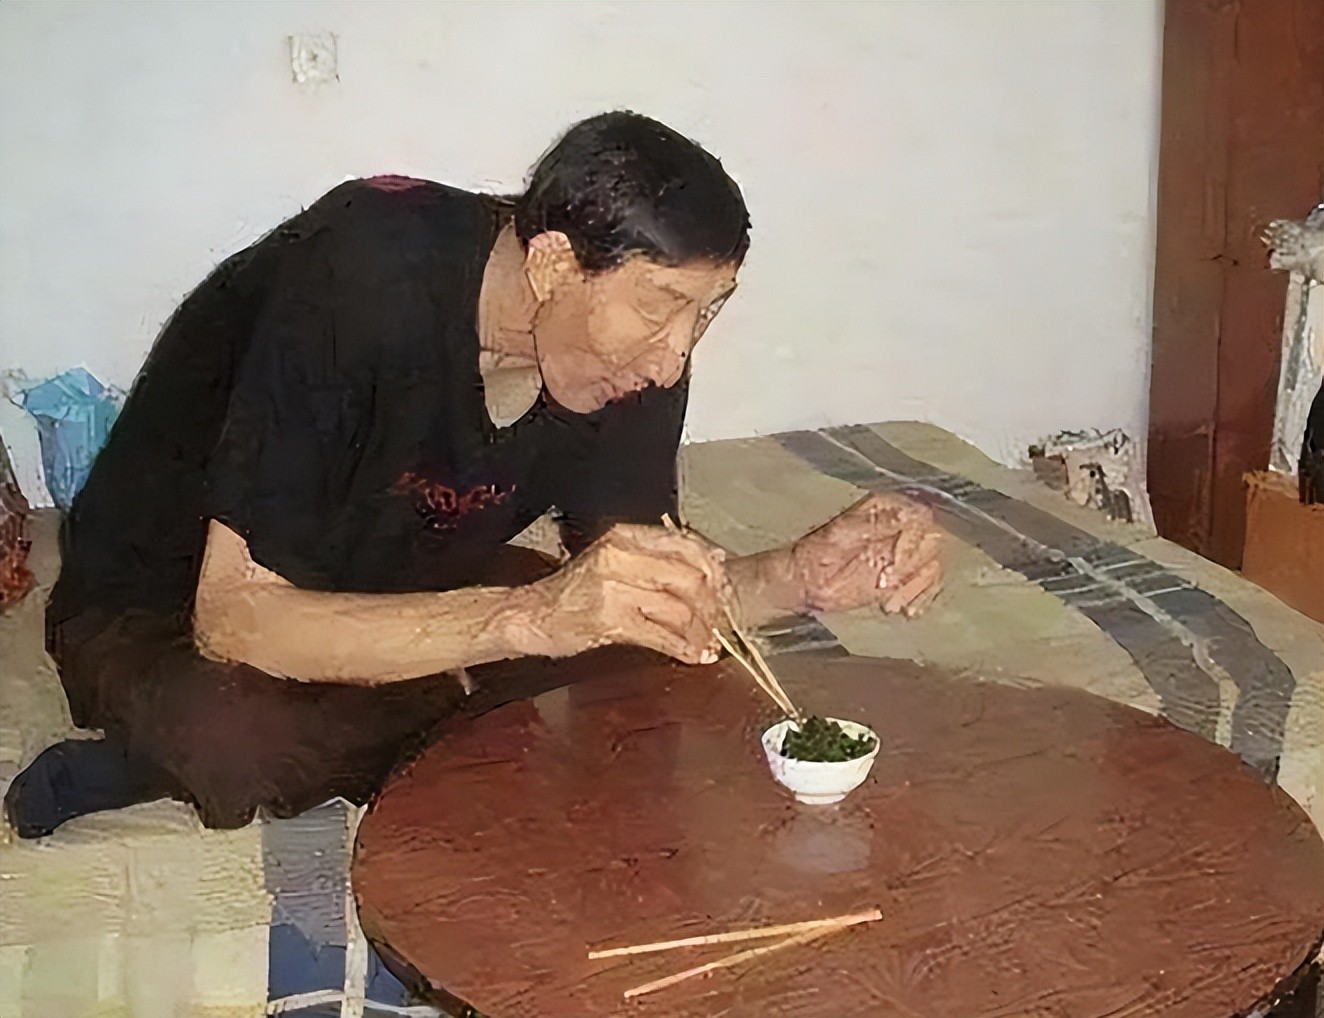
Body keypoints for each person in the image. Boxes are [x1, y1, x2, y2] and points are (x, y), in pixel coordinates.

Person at [5, 112, 942, 838]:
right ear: (553, 264)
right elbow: (234, 617)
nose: (673, 357)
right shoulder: (364, 272)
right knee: (237, 735)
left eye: (708, 312)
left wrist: (798, 575)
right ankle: (146, 759)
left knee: (647, 661)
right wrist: (526, 618)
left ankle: (427, 699)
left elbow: (652, 581)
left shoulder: (635, 354)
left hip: (394, 568)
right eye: (661, 307)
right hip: (168, 598)